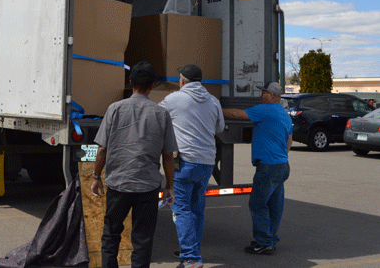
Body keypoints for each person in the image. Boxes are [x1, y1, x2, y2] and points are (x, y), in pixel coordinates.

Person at [91, 61, 178, 268]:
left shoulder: (114, 109)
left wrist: (96, 177)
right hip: (147, 186)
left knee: (111, 233)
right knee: (143, 238)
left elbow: (102, 149)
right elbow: (168, 156)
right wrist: (169, 187)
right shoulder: (161, 114)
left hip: (118, 184)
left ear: (131, 83)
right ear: (152, 86)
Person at [159, 64, 225, 268]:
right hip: (206, 163)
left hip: (185, 162)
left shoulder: (174, 99)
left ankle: (190, 258)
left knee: (181, 210)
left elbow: (156, 115)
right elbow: (220, 127)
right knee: (197, 209)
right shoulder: (213, 101)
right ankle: (191, 250)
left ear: (182, 81)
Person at [222, 81, 292, 255]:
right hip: (282, 165)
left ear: (273, 95)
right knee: (275, 205)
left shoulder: (265, 110)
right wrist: (280, 156)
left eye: (265, 93)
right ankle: (269, 238)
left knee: (258, 204)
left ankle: (264, 241)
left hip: (268, 166)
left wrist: (214, 109)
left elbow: (238, 114)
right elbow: (289, 140)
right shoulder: (284, 114)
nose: (262, 95)